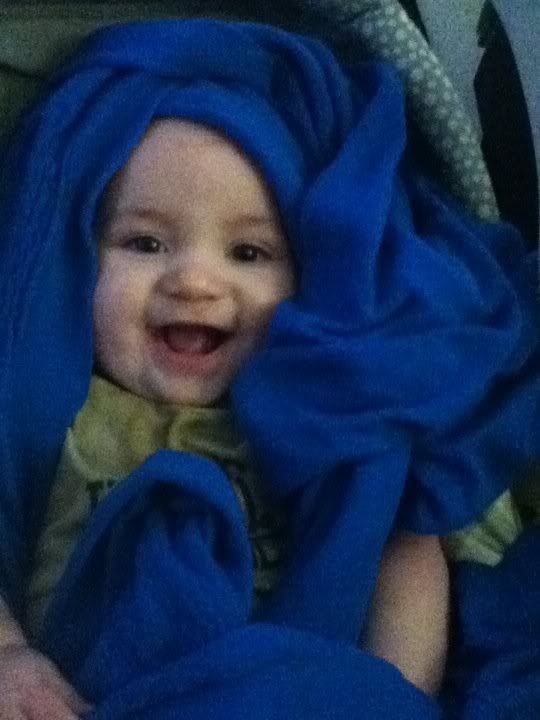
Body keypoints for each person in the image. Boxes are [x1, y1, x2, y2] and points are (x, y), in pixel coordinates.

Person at [0, 17, 537, 720]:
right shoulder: (52, 415)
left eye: (248, 253)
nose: (194, 281)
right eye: (145, 243)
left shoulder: (321, 436)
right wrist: (10, 654)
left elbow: (402, 560)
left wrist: (388, 698)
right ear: (75, 265)